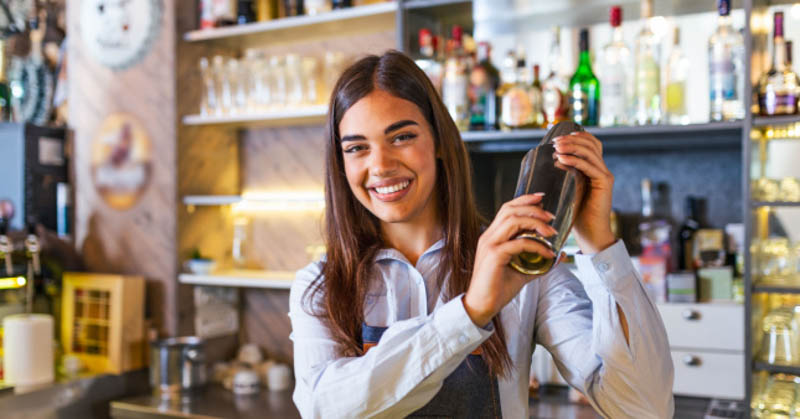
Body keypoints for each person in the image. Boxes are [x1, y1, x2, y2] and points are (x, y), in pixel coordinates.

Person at [289, 51, 674, 419]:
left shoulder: (520, 264)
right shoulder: (320, 284)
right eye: (357, 148)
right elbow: (324, 409)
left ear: (438, 141)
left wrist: (600, 243)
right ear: (340, 164)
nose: (381, 165)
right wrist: (471, 312)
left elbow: (643, 408)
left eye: (402, 137)